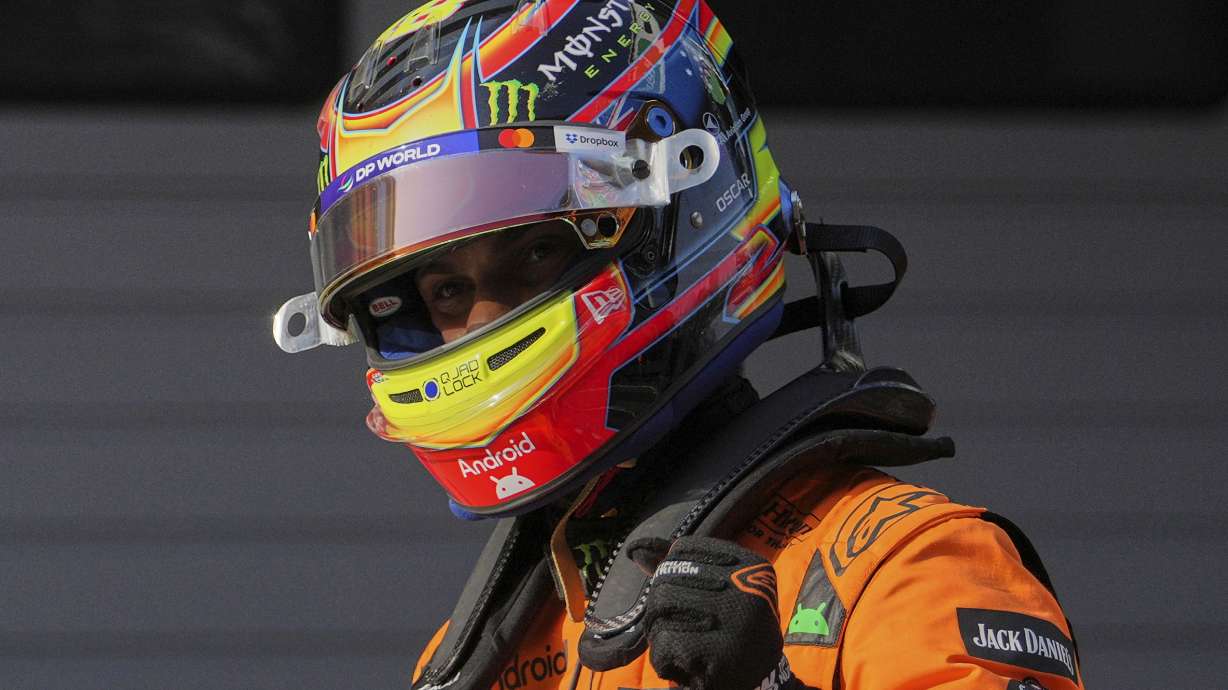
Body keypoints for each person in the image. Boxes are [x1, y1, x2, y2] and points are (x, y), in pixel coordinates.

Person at [273, 2, 1085, 689]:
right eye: (446, 292)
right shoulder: (481, 652)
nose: (481, 319)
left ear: (686, 195)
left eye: (536, 251)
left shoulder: (905, 567)